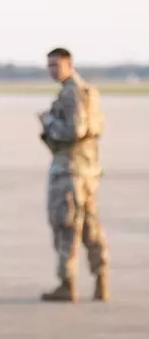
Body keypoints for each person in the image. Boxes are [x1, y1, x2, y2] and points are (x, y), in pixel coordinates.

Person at [38, 47, 109, 302]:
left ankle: (68, 283)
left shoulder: (71, 93)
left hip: (70, 171)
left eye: (56, 65)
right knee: (90, 225)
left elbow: (74, 130)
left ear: (69, 64)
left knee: (66, 225)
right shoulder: (89, 92)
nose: (52, 70)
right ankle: (101, 276)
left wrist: (47, 122)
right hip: (88, 170)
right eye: (49, 66)